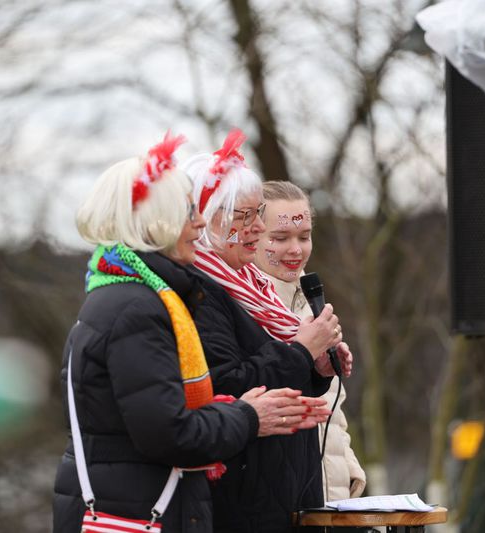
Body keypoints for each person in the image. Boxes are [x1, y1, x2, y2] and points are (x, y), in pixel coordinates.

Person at [52, 133, 331, 533]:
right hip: (140, 511)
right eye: (188, 213)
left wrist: (304, 369)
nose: (198, 223)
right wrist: (249, 414)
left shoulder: (138, 298)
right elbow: (171, 434)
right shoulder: (137, 309)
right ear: (155, 223)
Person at [185, 129, 352, 532]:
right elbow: (226, 388)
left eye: (304, 236)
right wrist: (300, 351)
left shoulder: (260, 292)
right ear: (209, 219)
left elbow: (297, 400)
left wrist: (316, 370)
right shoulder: (203, 292)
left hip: (290, 496)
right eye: (247, 217)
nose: (257, 228)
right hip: (245, 504)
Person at [254, 180, 367, 502]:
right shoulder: (244, 307)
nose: (296, 249)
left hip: (330, 501)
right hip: (278, 499)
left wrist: (349, 474)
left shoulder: (312, 303)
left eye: (304, 237)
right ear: (251, 235)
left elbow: (333, 407)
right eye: (280, 238)